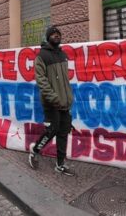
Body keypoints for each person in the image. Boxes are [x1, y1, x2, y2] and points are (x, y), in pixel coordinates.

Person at [27, 26, 75, 176]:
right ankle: (34, 150)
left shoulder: (63, 54)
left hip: (65, 102)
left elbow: (65, 80)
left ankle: (60, 164)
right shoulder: (42, 56)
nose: (56, 36)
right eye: (53, 34)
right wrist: (54, 98)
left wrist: (68, 98)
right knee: (52, 130)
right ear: (48, 37)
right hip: (51, 103)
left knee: (63, 132)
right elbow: (42, 81)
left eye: (58, 34)